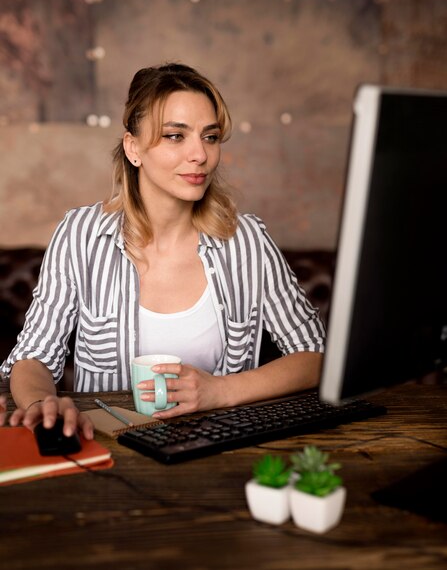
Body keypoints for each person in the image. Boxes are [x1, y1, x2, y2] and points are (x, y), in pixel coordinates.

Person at [0, 63, 325, 441]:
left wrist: (220, 391)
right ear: (133, 148)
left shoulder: (247, 239)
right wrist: (42, 403)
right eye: (175, 136)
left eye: (210, 137)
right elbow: (34, 356)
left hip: (223, 453)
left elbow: (315, 356)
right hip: (110, 456)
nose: (199, 155)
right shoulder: (80, 235)